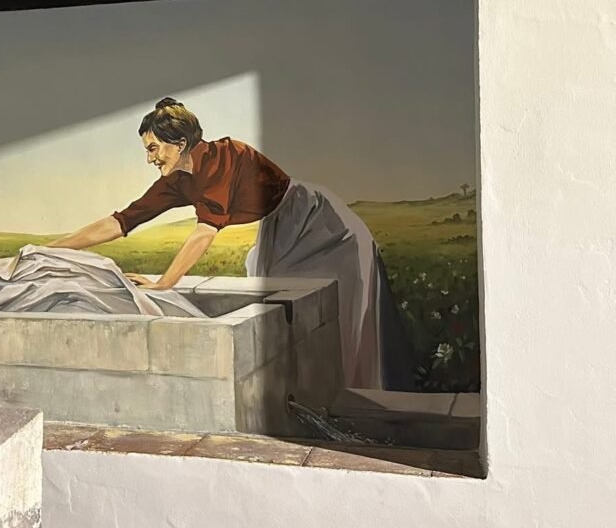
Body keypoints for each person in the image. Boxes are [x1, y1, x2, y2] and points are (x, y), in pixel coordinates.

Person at [48, 97, 411, 390]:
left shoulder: (223, 158)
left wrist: (165, 283)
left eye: (154, 148)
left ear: (180, 143)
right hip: (280, 232)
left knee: (346, 312)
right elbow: (122, 221)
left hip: (321, 225)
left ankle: (358, 393)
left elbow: (205, 232)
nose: (150, 158)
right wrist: (52, 249)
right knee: (293, 318)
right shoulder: (177, 179)